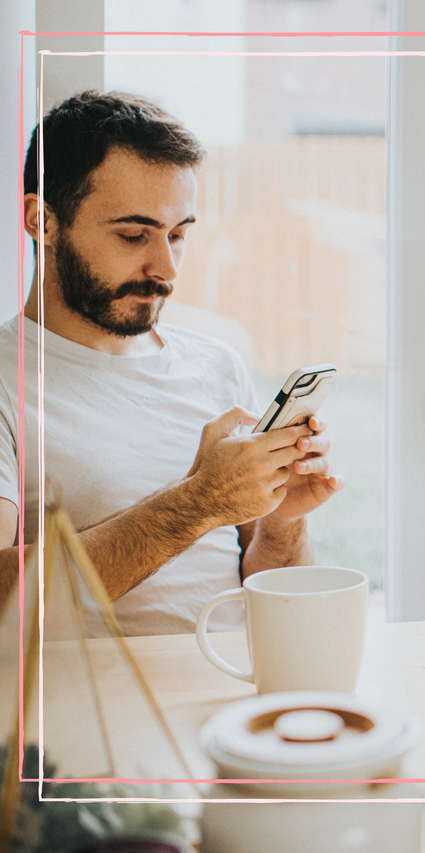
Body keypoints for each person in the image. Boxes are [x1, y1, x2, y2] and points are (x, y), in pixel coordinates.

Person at [0, 91, 344, 635]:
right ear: (41, 220)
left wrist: (280, 521)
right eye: (133, 234)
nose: (166, 268)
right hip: (93, 716)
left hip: (235, 701)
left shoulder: (217, 367)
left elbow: (274, 597)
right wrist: (200, 502)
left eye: (178, 235)